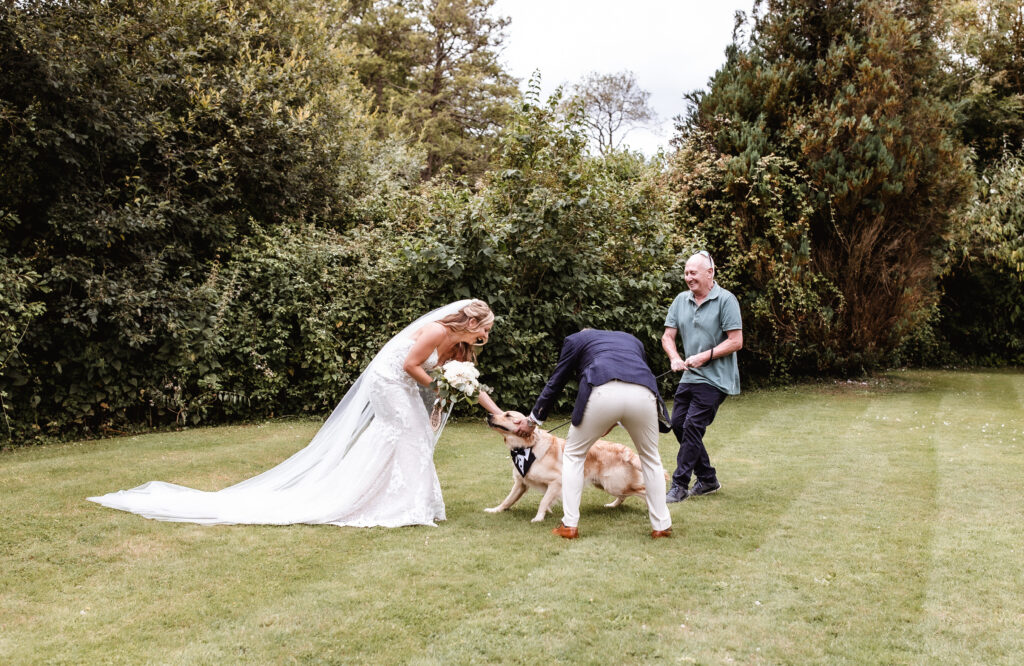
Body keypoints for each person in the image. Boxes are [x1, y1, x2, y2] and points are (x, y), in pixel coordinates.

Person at [89, 299, 502, 527]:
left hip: (407, 382)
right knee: (409, 435)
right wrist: (436, 386)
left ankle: (404, 503)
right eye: (486, 328)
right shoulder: (435, 331)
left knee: (407, 438)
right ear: (473, 321)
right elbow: (410, 367)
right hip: (390, 381)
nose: (487, 335)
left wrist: (499, 412)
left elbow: (466, 381)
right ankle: (408, 509)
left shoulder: (460, 347)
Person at [515, 329, 673, 539]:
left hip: (601, 390)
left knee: (573, 455)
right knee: (651, 458)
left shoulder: (576, 339)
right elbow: (630, 371)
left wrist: (533, 420)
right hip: (644, 393)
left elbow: (557, 381)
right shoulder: (632, 339)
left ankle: (569, 525)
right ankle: (661, 526)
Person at [661, 251, 743, 503]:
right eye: (686, 273)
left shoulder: (726, 300)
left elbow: (736, 341)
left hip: (716, 378)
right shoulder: (680, 300)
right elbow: (668, 337)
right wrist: (675, 357)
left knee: (693, 426)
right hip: (689, 377)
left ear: (710, 273)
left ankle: (679, 484)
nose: (688, 278)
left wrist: (704, 356)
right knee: (678, 425)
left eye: (693, 273)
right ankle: (707, 478)